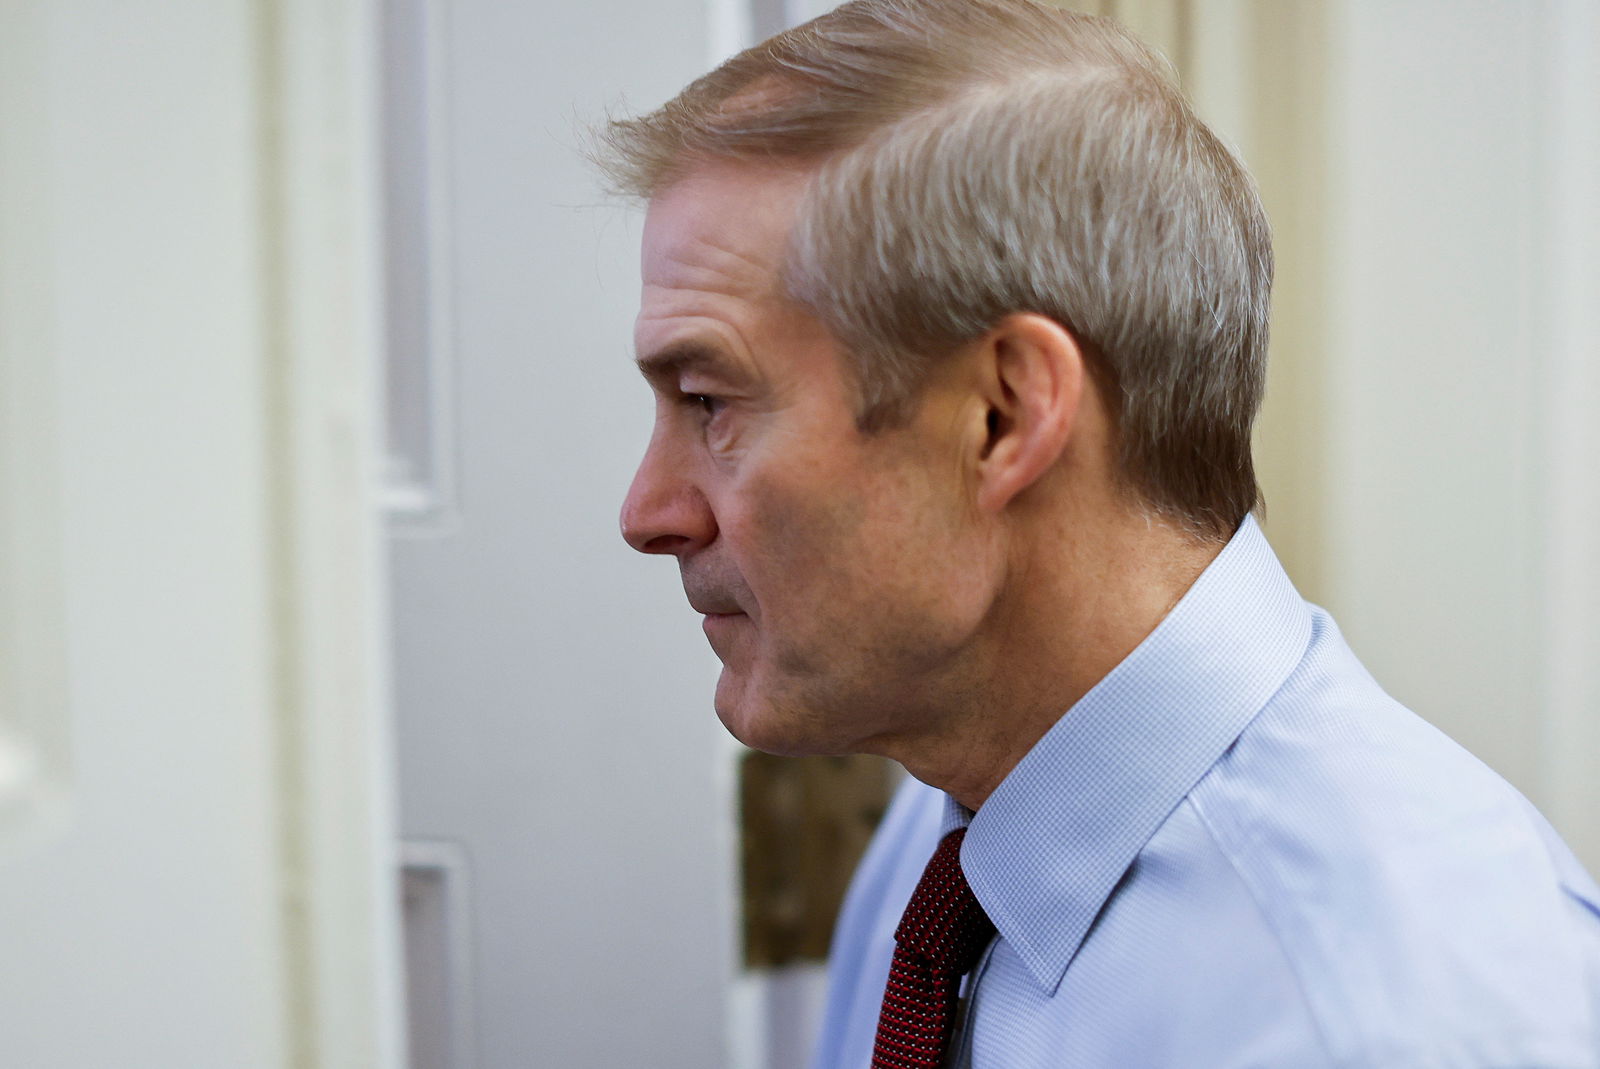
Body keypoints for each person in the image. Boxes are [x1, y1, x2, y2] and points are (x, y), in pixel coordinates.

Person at [598, 0, 1600, 1065]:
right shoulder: (955, 824)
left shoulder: (1389, 1016)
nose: (648, 512)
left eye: (711, 402)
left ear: (1001, 417)